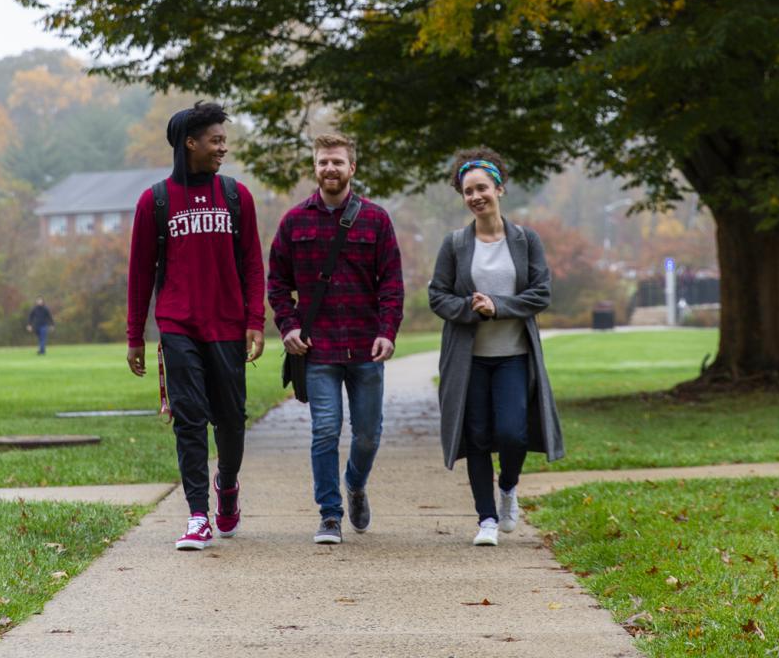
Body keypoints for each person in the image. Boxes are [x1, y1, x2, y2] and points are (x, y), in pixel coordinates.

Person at [126, 101, 265, 551]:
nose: (223, 147)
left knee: (230, 421)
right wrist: (135, 336)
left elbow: (252, 263)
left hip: (227, 325)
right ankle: (198, 515)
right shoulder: (156, 201)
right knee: (189, 419)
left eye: (224, 140)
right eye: (216, 140)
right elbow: (140, 273)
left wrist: (255, 321)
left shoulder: (235, 196)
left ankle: (227, 483)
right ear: (191, 143)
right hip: (178, 324)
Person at [267, 133, 404, 544]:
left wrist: (387, 332)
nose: (330, 169)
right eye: (323, 162)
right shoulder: (294, 222)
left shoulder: (376, 220)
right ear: (315, 167)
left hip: (366, 347)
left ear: (352, 168)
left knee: (367, 434)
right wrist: (288, 326)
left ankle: (355, 484)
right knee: (325, 430)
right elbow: (277, 284)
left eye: (338, 162)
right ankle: (329, 514)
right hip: (318, 348)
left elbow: (392, 285)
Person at [428, 147, 564, 547]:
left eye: (482, 188)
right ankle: (486, 519)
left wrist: (498, 307)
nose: (475, 197)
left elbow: (541, 294)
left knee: (512, 434)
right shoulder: (455, 244)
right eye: (468, 191)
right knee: (477, 437)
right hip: (468, 360)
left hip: (515, 357)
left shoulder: (525, 240)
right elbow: (438, 296)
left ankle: (508, 487)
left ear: (499, 189)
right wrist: (473, 310)